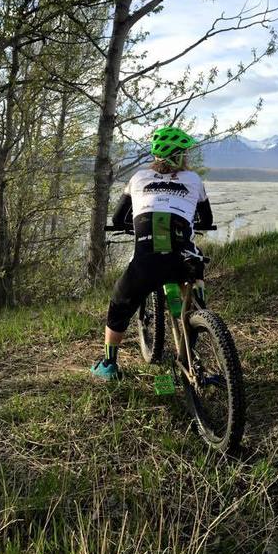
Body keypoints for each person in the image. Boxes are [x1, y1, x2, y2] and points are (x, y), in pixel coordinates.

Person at [90, 126, 214, 380]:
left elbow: (118, 217)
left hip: (148, 260)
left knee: (119, 304)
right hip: (183, 258)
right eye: (185, 154)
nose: (188, 158)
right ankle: (200, 310)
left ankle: (108, 365)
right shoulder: (194, 180)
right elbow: (206, 218)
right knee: (195, 259)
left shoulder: (138, 178)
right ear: (178, 157)